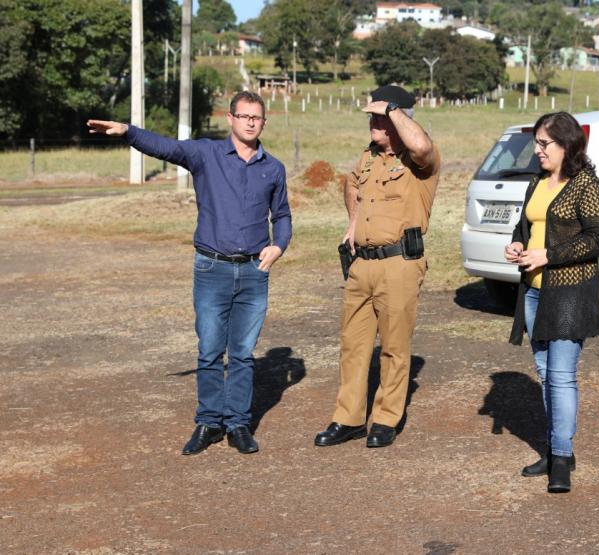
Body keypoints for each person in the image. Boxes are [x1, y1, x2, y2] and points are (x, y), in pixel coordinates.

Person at [87, 91, 291, 456]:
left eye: (255, 117)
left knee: (243, 353)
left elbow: (283, 215)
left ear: (263, 122)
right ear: (230, 119)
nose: (249, 122)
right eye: (243, 116)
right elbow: (165, 147)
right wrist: (128, 131)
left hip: (253, 271)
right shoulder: (206, 154)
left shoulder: (272, 168)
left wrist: (279, 245)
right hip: (211, 267)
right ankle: (209, 422)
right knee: (210, 350)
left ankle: (239, 424)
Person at [314, 85, 440, 449]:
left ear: (400, 119)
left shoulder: (420, 161)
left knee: (394, 347)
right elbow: (350, 185)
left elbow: (421, 147)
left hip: (400, 263)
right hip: (361, 265)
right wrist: (353, 222)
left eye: (380, 117)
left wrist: (394, 111)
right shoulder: (368, 158)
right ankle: (349, 417)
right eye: (371, 115)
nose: (373, 122)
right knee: (352, 345)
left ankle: (386, 418)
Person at [504, 111, 599, 493]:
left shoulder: (586, 184)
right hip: (533, 291)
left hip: (569, 292)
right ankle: (555, 448)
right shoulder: (537, 182)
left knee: (562, 376)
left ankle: (561, 459)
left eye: (544, 143)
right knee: (546, 373)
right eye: (536, 143)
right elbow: (526, 225)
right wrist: (518, 243)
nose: (537, 150)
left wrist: (548, 255)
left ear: (566, 145)